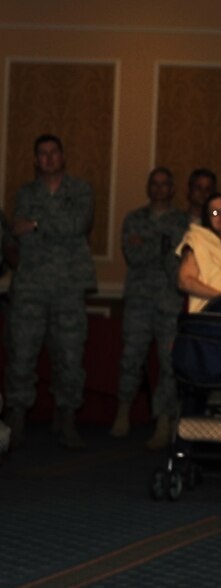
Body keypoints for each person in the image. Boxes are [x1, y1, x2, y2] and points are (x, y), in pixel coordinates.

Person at [2, 134, 96, 450]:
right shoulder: (25, 193)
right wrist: (34, 227)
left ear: (63, 156)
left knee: (70, 354)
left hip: (69, 286)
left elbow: (77, 225)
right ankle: (16, 419)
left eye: (54, 152)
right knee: (21, 353)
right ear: (35, 160)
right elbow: (18, 233)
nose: (48, 158)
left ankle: (67, 419)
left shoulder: (81, 189)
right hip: (31, 285)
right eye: (42, 154)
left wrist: (37, 223)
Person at [144, 168, 217, 450]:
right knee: (170, 364)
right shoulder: (174, 223)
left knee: (205, 366)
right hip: (173, 303)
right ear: (188, 191)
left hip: (209, 306)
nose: (202, 193)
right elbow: (169, 262)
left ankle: (199, 426)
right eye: (197, 187)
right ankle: (165, 422)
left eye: (208, 188)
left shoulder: (220, 222)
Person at [110, 168, 185, 440]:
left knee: (169, 363)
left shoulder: (183, 222)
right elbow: (134, 254)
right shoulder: (134, 218)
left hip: (170, 301)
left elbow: (179, 261)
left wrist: (149, 245)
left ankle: (163, 421)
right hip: (139, 301)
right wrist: (162, 247)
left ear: (172, 189)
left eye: (165, 184)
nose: (159, 189)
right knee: (131, 358)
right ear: (148, 187)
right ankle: (123, 413)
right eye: (154, 183)